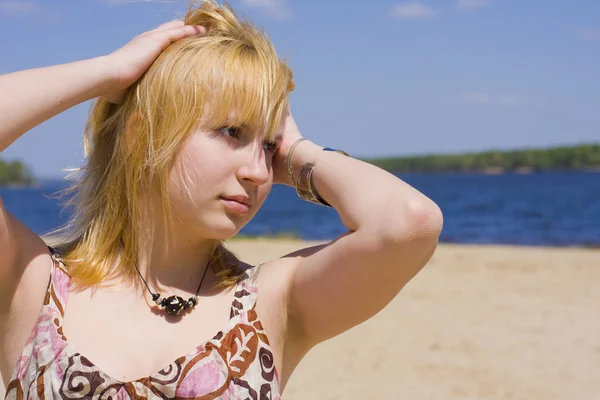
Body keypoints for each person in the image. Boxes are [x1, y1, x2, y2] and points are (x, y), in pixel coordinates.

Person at [0, 1, 443, 398]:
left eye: (269, 147)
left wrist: (299, 152)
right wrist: (110, 72)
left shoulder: (271, 303)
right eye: (231, 132)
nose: (257, 171)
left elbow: (409, 222)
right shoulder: (31, 285)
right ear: (141, 135)